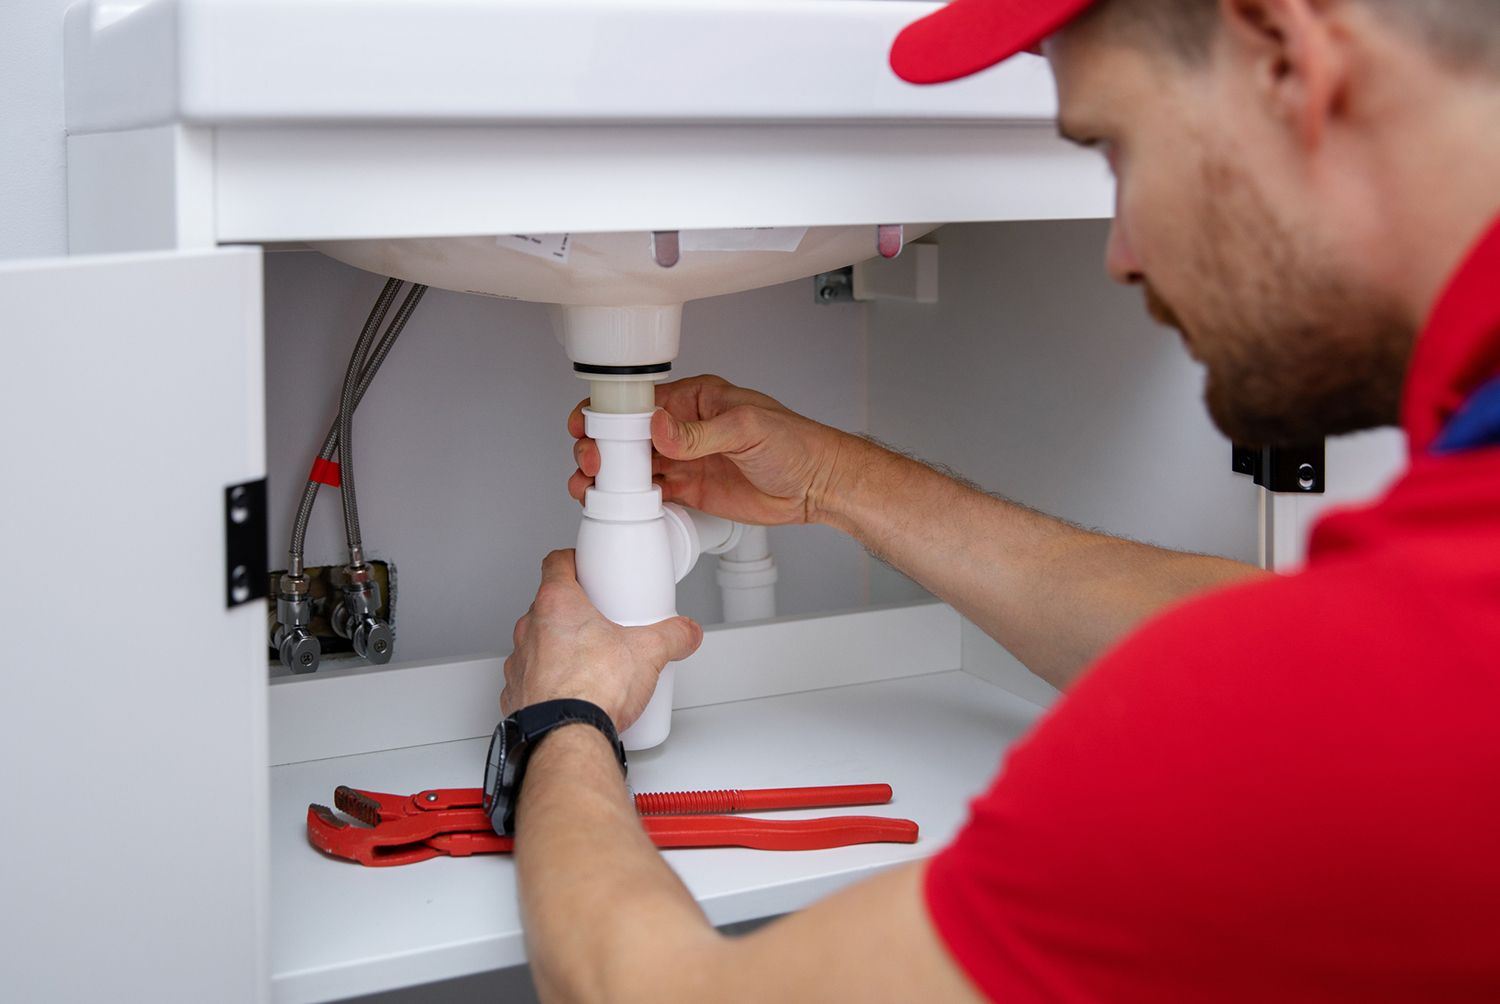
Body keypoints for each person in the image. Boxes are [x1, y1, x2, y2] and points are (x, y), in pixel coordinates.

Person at [497, 0, 1500, 999]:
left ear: (1286, 58)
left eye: (1114, 146)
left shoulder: (1388, 693)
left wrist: (562, 718)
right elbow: (1269, 647)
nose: (1120, 255)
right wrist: (837, 482)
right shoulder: (1441, 604)